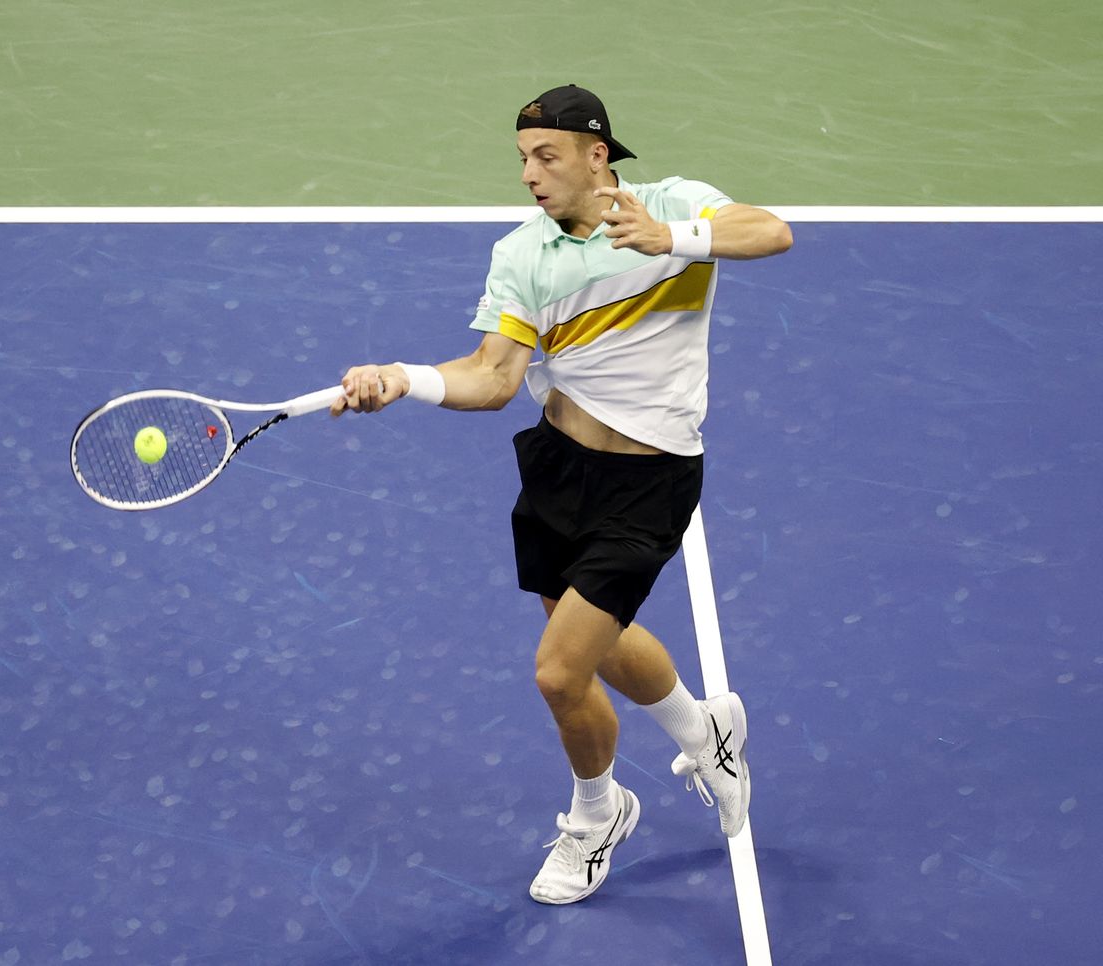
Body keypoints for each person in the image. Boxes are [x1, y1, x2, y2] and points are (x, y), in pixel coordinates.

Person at [330, 84, 792, 904]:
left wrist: (673, 238)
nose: (530, 175)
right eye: (522, 160)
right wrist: (403, 377)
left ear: (596, 155)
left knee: (557, 671)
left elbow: (773, 232)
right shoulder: (522, 254)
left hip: (650, 480)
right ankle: (705, 728)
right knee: (597, 646)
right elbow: (493, 377)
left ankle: (598, 815)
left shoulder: (673, 204)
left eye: (546, 156)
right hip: (556, 469)